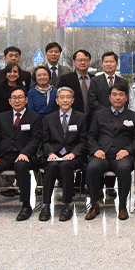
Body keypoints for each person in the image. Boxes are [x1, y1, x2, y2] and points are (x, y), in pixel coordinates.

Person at [0, 87, 42, 221]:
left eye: (20, 97)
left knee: (21, 166)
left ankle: (26, 205)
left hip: (24, 156)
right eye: (14, 98)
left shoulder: (34, 118)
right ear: (10, 101)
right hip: (4, 156)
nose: (17, 101)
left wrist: (25, 153)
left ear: (26, 100)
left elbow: (36, 140)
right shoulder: (1, 117)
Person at [85, 82, 135, 221]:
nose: (117, 98)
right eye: (114, 95)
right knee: (92, 168)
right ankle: (94, 205)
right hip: (102, 154)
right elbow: (91, 136)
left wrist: (127, 151)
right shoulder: (98, 114)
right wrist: (96, 150)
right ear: (109, 97)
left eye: (121, 95)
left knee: (124, 168)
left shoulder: (134, 116)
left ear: (126, 98)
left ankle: (122, 206)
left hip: (122, 155)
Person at [38, 87, 87, 222]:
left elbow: (83, 141)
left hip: (73, 157)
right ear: (57, 101)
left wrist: (73, 153)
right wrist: (50, 153)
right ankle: (46, 206)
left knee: (65, 166)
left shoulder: (81, 117)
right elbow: (44, 141)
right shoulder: (49, 118)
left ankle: (67, 205)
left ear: (72, 100)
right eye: (62, 97)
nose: (65, 100)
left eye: (68, 97)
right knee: (52, 166)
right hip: (53, 155)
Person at [89, 51, 128, 117]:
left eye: (111, 62)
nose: (108, 64)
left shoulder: (123, 82)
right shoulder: (95, 80)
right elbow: (93, 101)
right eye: (106, 62)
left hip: (119, 116)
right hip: (100, 116)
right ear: (102, 64)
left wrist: (116, 111)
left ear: (117, 64)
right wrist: (107, 112)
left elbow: (126, 100)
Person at [57, 49, 92, 116]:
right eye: (79, 60)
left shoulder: (94, 79)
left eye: (86, 60)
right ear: (74, 62)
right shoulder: (65, 79)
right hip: (73, 117)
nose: (83, 62)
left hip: (92, 117)